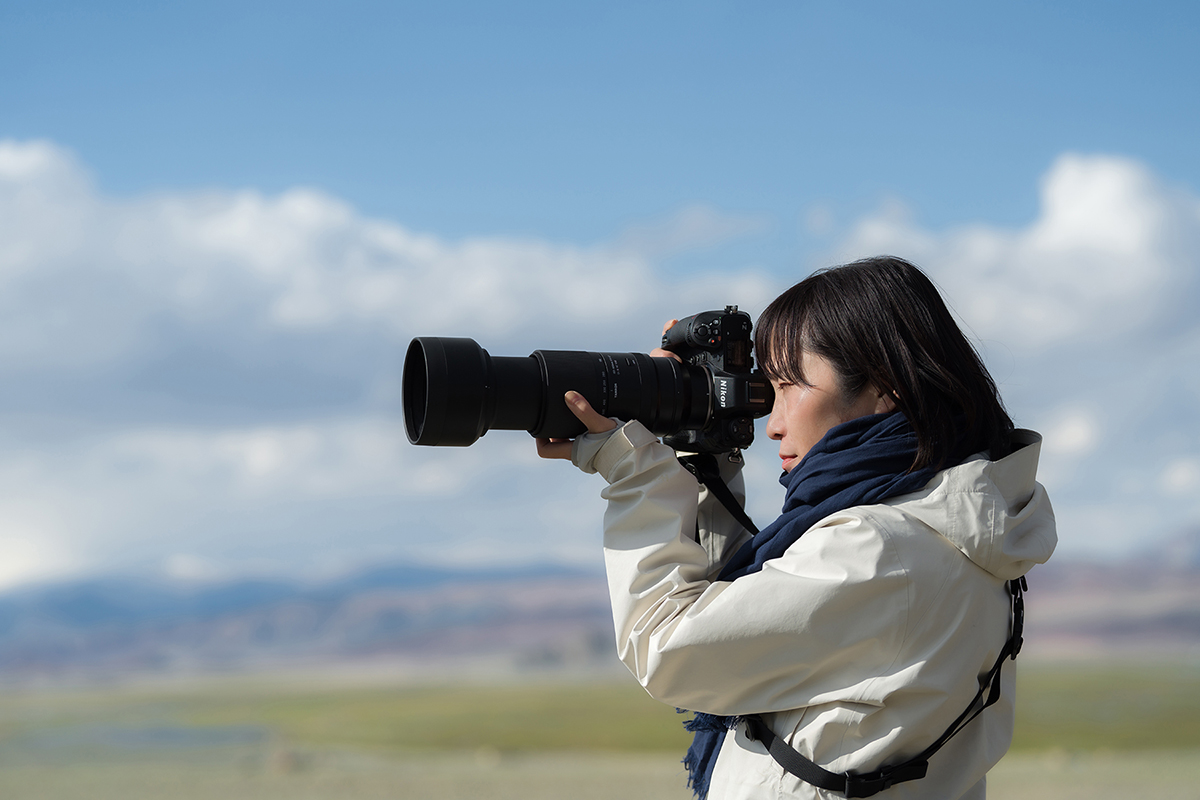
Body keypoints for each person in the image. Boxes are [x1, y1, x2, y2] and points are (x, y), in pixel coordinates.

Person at [536, 256, 1057, 800]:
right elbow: (741, 615)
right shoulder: (945, 531)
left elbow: (671, 648)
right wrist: (701, 457)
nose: (773, 423)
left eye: (788, 387)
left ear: (886, 389)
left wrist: (635, 478)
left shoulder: (881, 550)